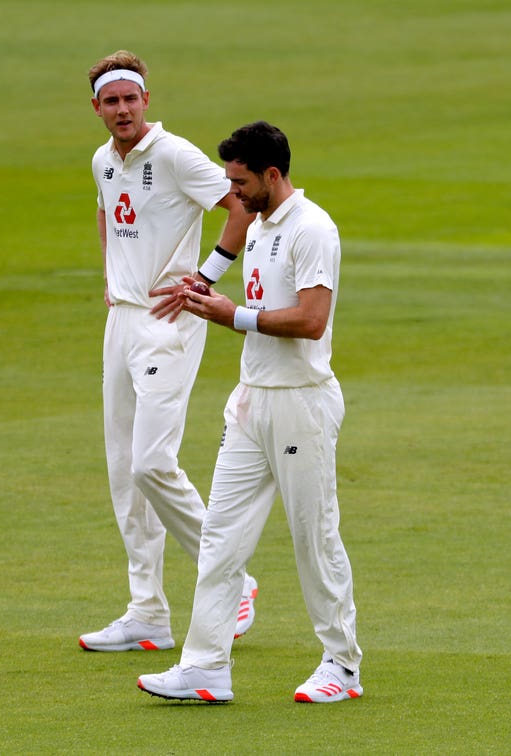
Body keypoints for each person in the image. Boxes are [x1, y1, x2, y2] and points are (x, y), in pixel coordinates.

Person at [137, 121, 363, 702]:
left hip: (301, 405)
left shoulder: (313, 229)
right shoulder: (260, 224)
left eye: (239, 185)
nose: (231, 198)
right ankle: (206, 667)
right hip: (251, 401)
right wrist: (206, 292)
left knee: (313, 537)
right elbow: (251, 300)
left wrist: (231, 315)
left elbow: (311, 321)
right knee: (219, 537)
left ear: (271, 174)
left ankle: (341, 664)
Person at [78, 51, 259, 653]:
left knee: (151, 462)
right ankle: (147, 612)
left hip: (169, 321)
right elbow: (108, 215)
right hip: (122, 323)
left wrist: (204, 278)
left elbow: (237, 208)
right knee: (124, 474)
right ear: (98, 107)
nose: (123, 109)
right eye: (112, 101)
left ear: (145, 100)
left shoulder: (176, 154)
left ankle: (235, 582)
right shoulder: (104, 159)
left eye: (131, 98)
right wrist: (111, 277)